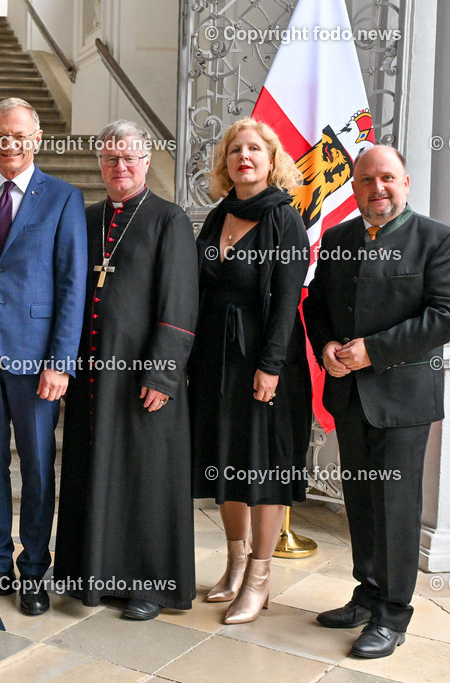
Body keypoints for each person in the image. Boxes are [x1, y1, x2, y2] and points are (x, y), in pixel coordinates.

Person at [304, 145, 450, 658]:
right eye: (367, 180)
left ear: (406, 182)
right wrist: (328, 345)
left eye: (388, 179)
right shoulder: (337, 238)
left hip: (404, 401)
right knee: (361, 503)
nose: (379, 188)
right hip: (349, 397)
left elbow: (447, 316)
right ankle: (368, 594)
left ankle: (393, 615)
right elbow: (318, 305)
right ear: (353, 187)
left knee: (396, 508)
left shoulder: (440, 240)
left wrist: (369, 351)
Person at [52, 120, 199, 620]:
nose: (120, 167)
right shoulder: (86, 217)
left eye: (130, 158)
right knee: (95, 472)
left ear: (146, 160)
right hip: (93, 373)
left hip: (142, 373)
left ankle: (147, 584)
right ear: (100, 163)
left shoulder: (168, 219)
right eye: (110, 158)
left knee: (144, 476)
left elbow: (179, 301)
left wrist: (162, 373)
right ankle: (88, 574)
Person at [0, 97, 87, 616]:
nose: (9, 145)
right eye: (0, 136)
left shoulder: (63, 197)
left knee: (36, 467)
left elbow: (72, 284)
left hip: (37, 363)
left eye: (18, 136)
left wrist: (61, 361)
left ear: (36, 139)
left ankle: (34, 568)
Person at [189, 117, 312, 624]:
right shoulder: (219, 216)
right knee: (226, 460)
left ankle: (260, 578)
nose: (245, 156)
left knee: (262, 467)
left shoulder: (285, 219)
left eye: (255, 149)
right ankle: (235, 564)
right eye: (235, 149)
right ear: (225, 164)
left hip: (267, 361)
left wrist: (270, 366)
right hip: (217, 359)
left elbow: (287, 301)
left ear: (271, 160)